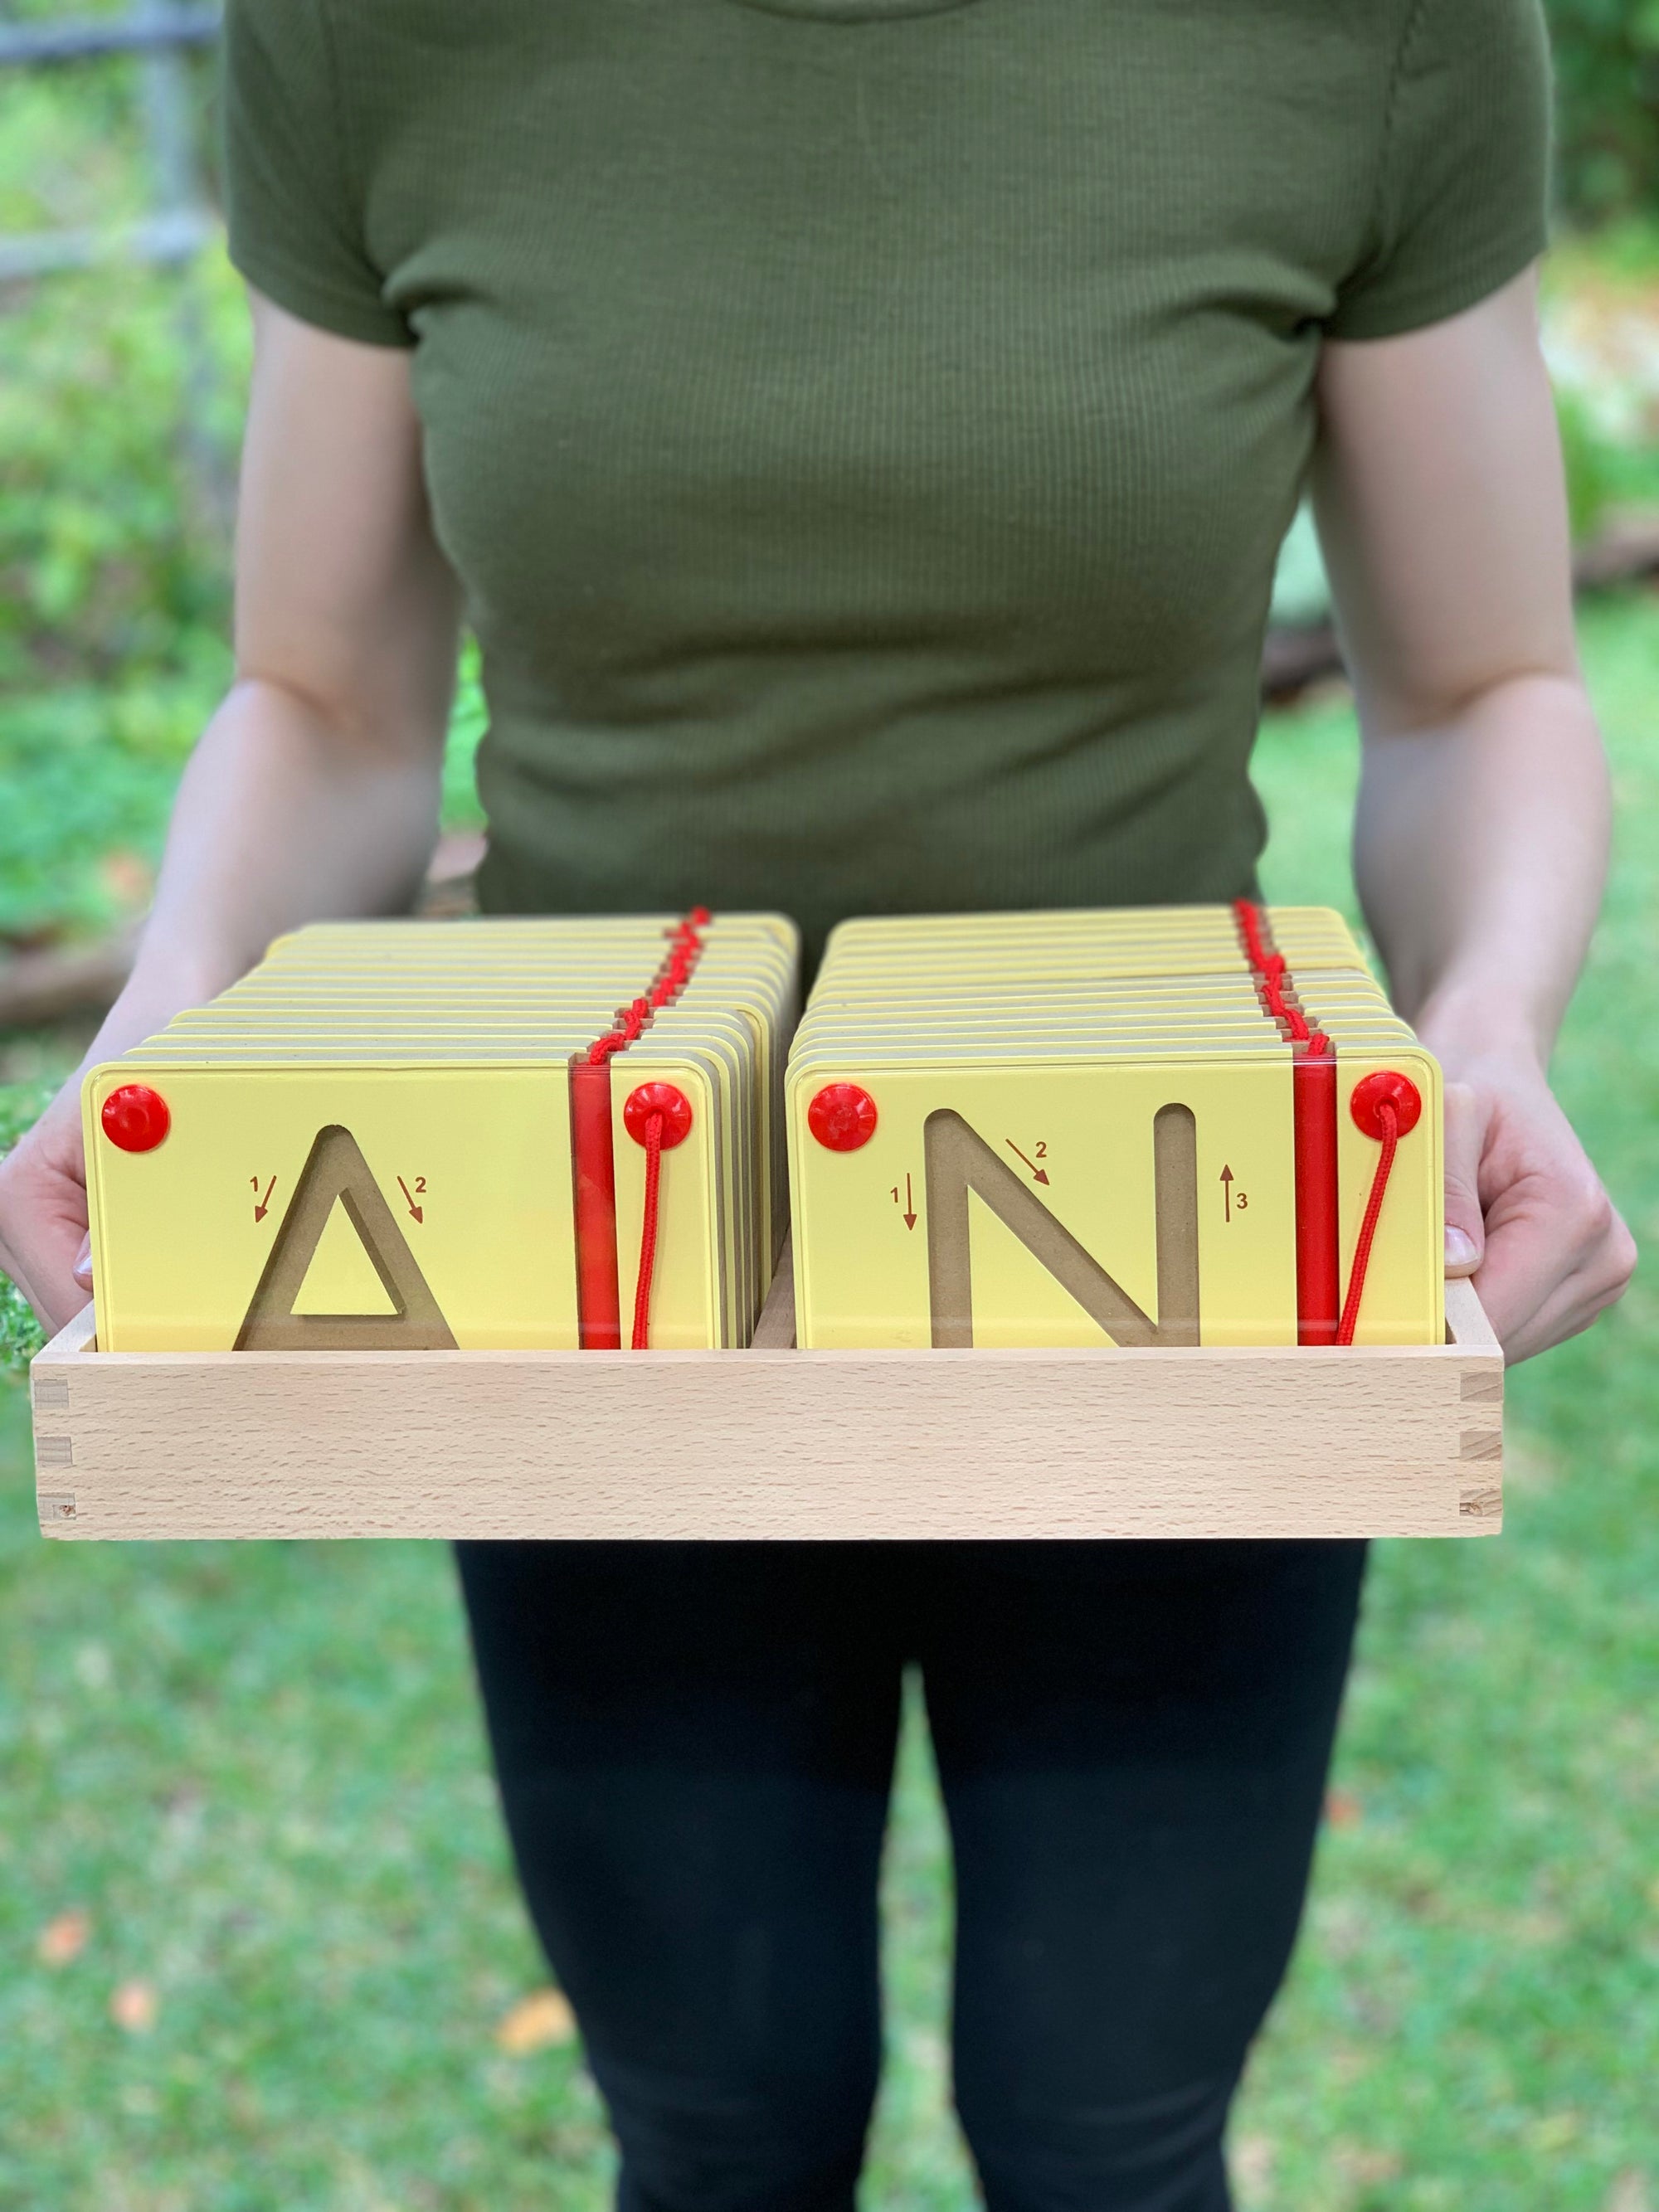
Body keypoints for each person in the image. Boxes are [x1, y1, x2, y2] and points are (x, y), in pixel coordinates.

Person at [0, 2, 1637, 2205]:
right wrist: (174, 1019)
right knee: (718, 2134)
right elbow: (326, 701)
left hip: (1174, 1253)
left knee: (1111, 2140)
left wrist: (1489, 1019)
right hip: (595, 1274)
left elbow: (1478, 684)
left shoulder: (1372, 24)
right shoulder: (373, 25)